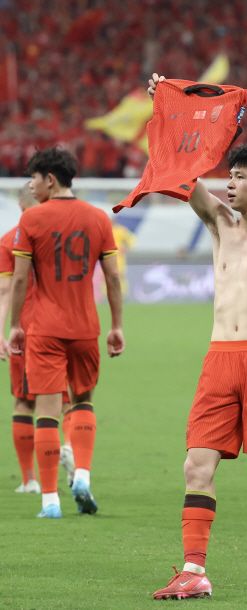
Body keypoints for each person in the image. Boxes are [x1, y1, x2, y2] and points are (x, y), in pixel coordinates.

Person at [148, 74, 247, 599]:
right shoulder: (219, 225)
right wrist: (165, 111)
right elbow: (181, 174)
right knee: (196, 462)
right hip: (219, 359)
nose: (229, 184)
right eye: (228, 175)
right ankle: (194, 571)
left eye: (239, 177)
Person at [8, 148, 125, 518]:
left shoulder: (32, 219)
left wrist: (14, 325)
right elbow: (113, 277)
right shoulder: (98, 218)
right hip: (85, 327)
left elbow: (20, 280)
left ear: (50, 179)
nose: (31, 184)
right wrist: (117, 326)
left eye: (34, 178)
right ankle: (84, 476)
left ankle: (50, 501)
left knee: (46, 413)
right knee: (83, 401)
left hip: (45, 329)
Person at [0, 185, 74, 492]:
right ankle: (70, 448)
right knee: (66, 399)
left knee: (24, 401)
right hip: (66, 326)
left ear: (21, 207)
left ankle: (29, 479)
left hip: (27, 328)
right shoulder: (63, 236)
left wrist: (3, 330)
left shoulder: (9, 240)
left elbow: (5, 290)